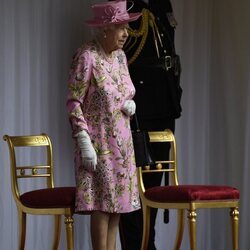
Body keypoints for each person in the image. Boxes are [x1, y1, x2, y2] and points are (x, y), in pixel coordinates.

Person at [66, 1, 141, 249]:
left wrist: (130, 104)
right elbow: (73, 101)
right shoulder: (87, 55)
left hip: (122, 142)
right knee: (101, 205)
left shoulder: (120, 57)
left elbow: (125, 92)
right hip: (98, 146)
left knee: (116, 207)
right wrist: (83, 139)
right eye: (121, 28)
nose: (126, 33)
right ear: (106, 29)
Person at [119, 0, 182, 249]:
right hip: (139, 106)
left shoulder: (161, 1)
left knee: (155, 183)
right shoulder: (126, 2)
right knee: (132, 184)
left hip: (164, 104)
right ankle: (135, 245)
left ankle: (148, 242)